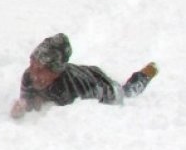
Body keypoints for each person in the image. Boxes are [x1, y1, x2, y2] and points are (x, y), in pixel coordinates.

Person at [10, 33, 158, 119]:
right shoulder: (29, 75)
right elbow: (28, 99)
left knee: (126, 92)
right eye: (32, 65)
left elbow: (112, 106)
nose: (34, 74)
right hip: (82, 71)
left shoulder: (74, 91)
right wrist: (23, 107)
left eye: (41, 70)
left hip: (99, 82)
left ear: (55, 72)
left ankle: (144, 75)